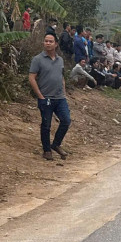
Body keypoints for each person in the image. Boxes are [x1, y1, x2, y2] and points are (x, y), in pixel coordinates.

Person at [29, 33, 72, 161]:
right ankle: (47, 150)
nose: (48, 43)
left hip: (60, 98)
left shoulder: (60, 60)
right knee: (46, 125)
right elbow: (32, 78)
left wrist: (64, 92)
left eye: (50, 41)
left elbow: (61, 77)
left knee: (66, 120)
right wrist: (40, 96)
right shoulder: (38, 59)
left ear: (56, 44)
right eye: (46, 41)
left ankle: (56, 144)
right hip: (45, 97)